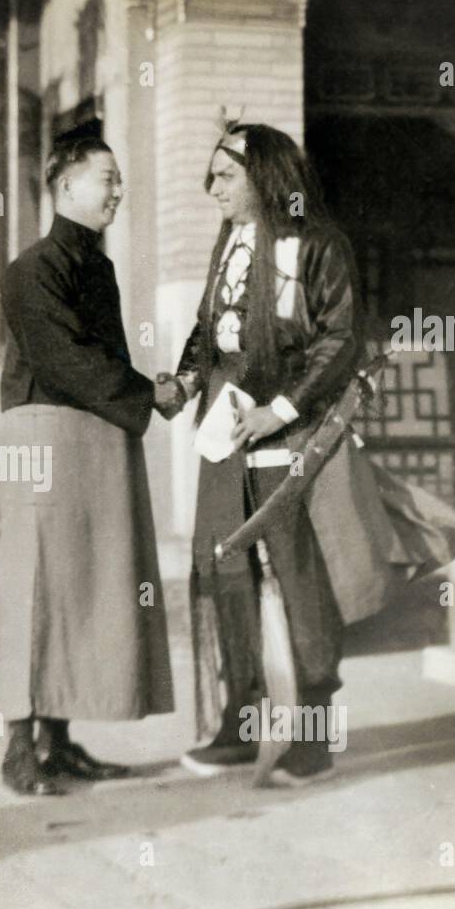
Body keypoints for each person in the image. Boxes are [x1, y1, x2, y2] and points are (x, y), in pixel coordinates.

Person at [159, 120, 362, 787]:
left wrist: (280, 409)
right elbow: (207, 328)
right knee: (223, 566)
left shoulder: (318, 244)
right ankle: (240, 724)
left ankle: (314, 734)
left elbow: (338, 339)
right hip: (225, 425)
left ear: (264, 175)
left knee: (298, 576)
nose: (209, 186)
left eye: (223, 174)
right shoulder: (229, 242)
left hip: (289, 427)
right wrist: (189, 378)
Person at [0, 134, 179, 797]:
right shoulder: (30, 267)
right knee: (35, 582)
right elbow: (61, 358)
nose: (118, 190)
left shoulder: (97, 270)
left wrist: (146, 388)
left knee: (81, 588)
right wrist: (144, 394)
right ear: (64, 184)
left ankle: (61, 741)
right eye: (108, 178)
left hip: (98, 435)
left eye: (121, 179)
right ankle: (19, 747)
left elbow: (95, 361)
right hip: (45, 433)